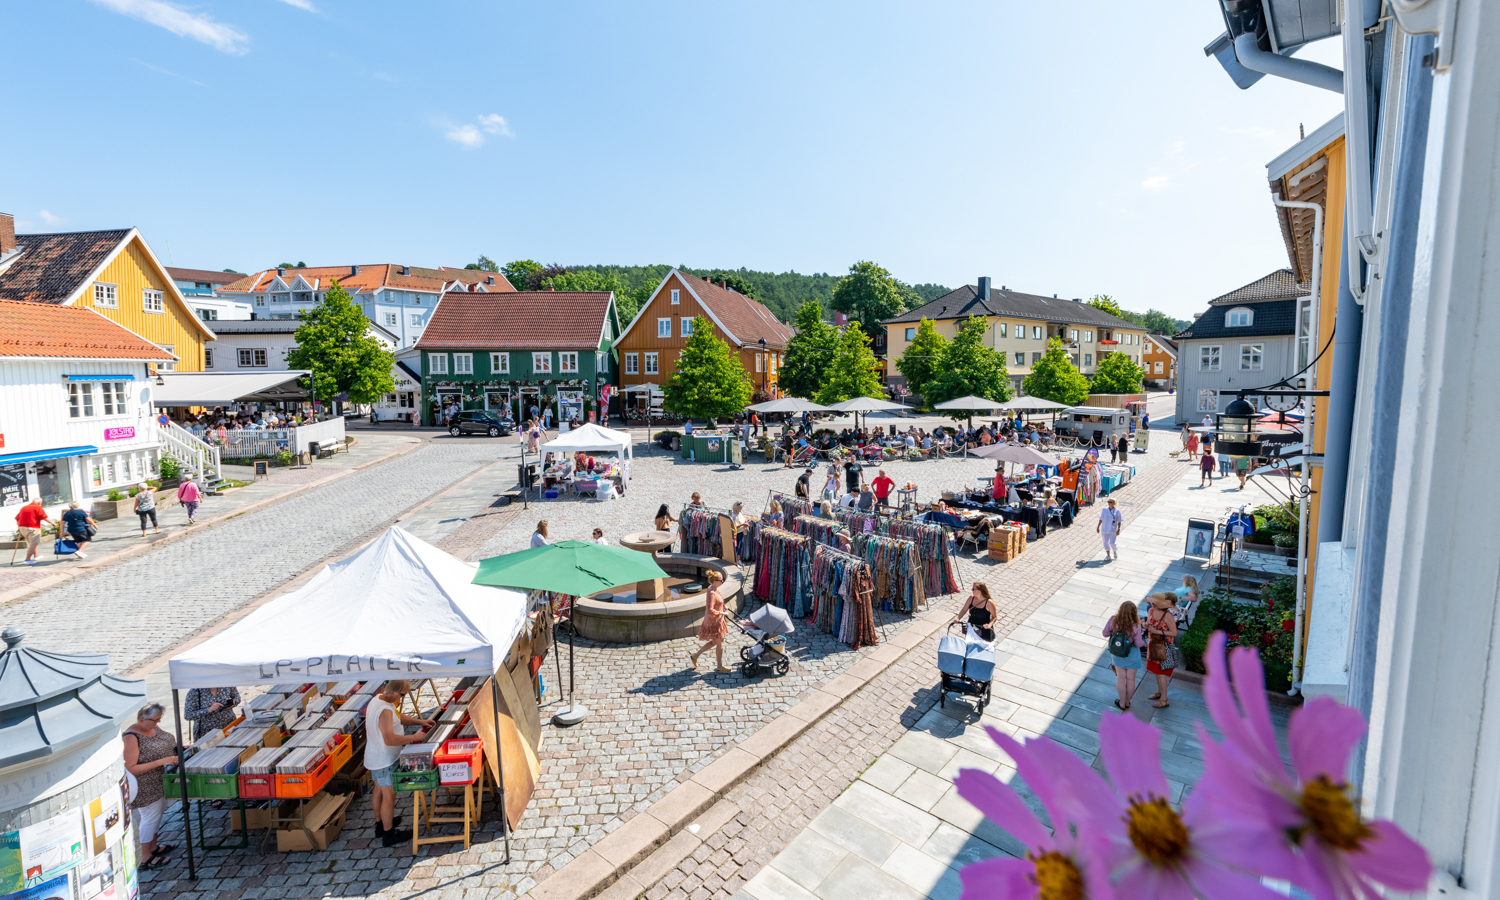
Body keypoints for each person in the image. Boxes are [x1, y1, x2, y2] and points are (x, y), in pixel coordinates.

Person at [365, 680, 435, 846]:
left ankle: (380, 825)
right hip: (384, 759)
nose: (403, 698)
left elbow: (398, 717)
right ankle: (389, 834)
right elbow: (389, 739)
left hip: (375, 756)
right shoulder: (385, 710)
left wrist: (420, 722)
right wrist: (413, 737)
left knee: (379, 792)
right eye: (402, 694)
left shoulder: (378, 699)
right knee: (388, 795)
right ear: (393, 692)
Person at [123, 703, 179, 870]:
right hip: (145, 786)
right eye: (155, 720)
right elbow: (130, 768)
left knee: (158, 813)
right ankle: (145, 857)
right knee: (149, 818)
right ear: (141, 720)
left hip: (159, 781)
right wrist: (161, 762)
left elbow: (165, 744)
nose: (158, 724)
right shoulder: (131, 737)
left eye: (159, 719)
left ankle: (153, 847)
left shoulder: (152, 727)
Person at [1103, 600, 1145, 710]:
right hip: (1132, 654)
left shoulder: (1113, 620)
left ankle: (1121, 702)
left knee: (1121, 678)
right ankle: (1127, 702)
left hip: (1118, 654)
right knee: (1131, 679)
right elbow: (1139, 644)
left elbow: (1105, 633)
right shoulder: (1136, 625)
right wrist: (1140, 634)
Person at [688, 570, 731, 673]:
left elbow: (719, 600)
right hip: (714, 622)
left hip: (717, 620)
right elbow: (711, 609)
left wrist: (723, 606)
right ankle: (720, 667)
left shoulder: (713, 588)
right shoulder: (711, 592)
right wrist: (723, 613)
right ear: (715, 581)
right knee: (719, 643)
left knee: (714, 642)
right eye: (721, 580)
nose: (722, 581)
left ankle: (695, 656)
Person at [1145, 593, 1179, 708]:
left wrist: (1158, 632)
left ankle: (1164, 699)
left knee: (1160, 674)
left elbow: (1174, 633)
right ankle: (1160, 693)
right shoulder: (1150, 611)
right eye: (1152, 602)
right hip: (1153, 645)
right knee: (1156, 672)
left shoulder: (1168, 615)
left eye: (1155, 603)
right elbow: (1150, 625)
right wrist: (1145, 625)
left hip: (1163, 648)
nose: (1152, 604)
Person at [14, 498, 47, 566]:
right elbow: (43, 517)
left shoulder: (24, 508)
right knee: (34, 543)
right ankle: (27, 559)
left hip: (23, 527)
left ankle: (36, 555)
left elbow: (17, 518)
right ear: (39, 502)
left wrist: (19, 527)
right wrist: (53, 523)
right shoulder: (38, 507)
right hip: (33, 528)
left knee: (31, 542)